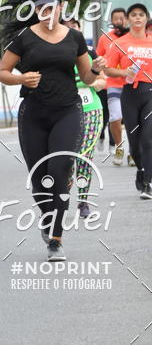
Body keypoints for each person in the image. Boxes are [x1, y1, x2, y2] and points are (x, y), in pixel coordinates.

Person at [0, 0, 104, 261]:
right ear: (36, 9)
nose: (47, 12)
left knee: (61, 169)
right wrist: (21, 78)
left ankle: (55, 239)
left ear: (61, 7)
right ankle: (48, 218)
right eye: (41, 8)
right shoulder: (24, 38)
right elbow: (3, 72)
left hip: (67, 111)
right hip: (33, 114)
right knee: (40, 178)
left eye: (52, 7)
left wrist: (94, 68)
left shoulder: (74, 38)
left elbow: (89, 79)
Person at [104, 3, 152, 198]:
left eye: (141, 14)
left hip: (150, 92)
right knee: (134, 140)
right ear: (128, 19)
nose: (138, 18)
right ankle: (141, 170)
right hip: (129, 94)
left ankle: (148, 181)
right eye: (134, 15)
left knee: (148, 138)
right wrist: (124, 72)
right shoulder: (120, 43)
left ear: (147, 18)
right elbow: (107, 69)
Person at [65, 17, 106, 217]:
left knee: (84, 156)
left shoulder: (89, 53)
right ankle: (62, 196)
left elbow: (101, 81)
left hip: (91, 110)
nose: (71, 29)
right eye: (67, 26)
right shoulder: (55, 53)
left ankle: (83, 201)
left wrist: (90, 83)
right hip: (64, 111)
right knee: (65, 158)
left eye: (74, 26)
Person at [96, 8, 129, 165]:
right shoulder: (105, 38)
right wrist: (101, 71)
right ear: (111, 20)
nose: (119, 21)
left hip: (133, 85)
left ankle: (134, 151)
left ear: (127, 20)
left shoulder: (134, 38)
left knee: (133, 120)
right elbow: (98, 57)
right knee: (115, 117)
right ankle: (119, 146)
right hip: (113, 84)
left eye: (122, 18)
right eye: (116, 18)